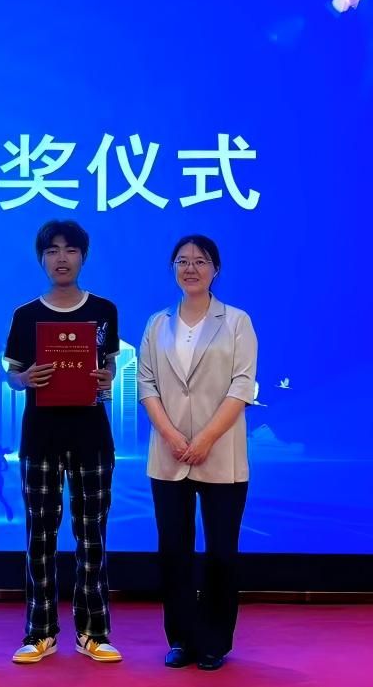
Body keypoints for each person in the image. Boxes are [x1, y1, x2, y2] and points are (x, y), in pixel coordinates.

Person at [3, 219, 122, 665]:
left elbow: (109, 368)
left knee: (92, 537)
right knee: (40, 536)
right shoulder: (25, 315)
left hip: (92, 436)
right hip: (41, 437)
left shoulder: (104, 310)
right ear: (41, 258)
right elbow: (12, 376)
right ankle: (40, 632)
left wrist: (107, 378)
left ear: (83, 257)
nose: (61, 258)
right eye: (52, 250)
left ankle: (93, 632)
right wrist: (25, 379)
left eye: (70, 250)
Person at [138, 234, 258, 672]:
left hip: (221, 453)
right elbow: (146, 383)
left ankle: (214, 642)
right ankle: (182, 639)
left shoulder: (237, 321)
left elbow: (243, 385)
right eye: (183, 261)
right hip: (168, 455)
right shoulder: (157, 323)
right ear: (173, 268)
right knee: (175, 552)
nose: (191, 268)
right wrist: (171, 435)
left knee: (221, 553)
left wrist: (206, 437)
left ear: (215, 270)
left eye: (201, 261)